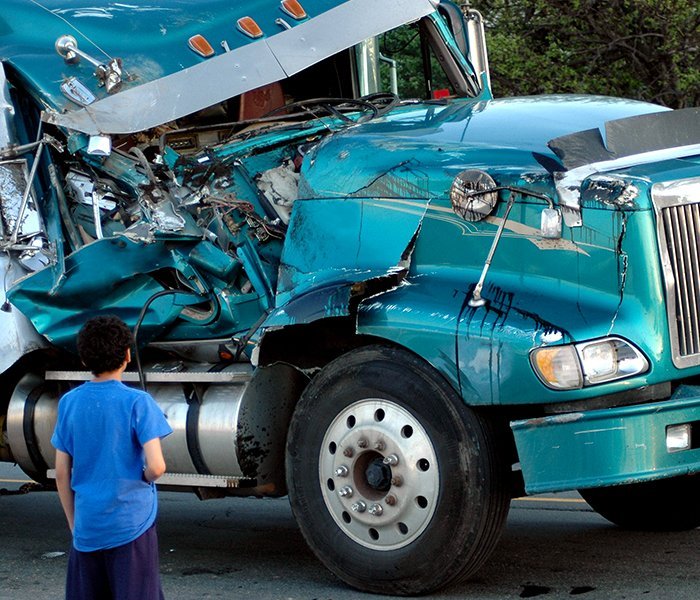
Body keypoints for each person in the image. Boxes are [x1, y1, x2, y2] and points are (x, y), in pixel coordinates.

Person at [51, 315, 173, 600]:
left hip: (88, 528)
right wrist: (141, 478)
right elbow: (157, 466)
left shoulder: (69, 403)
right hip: (131, 524)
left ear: (84, 359)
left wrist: (75, 524)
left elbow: (61, 473)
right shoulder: (138, 402)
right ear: (128, 355)